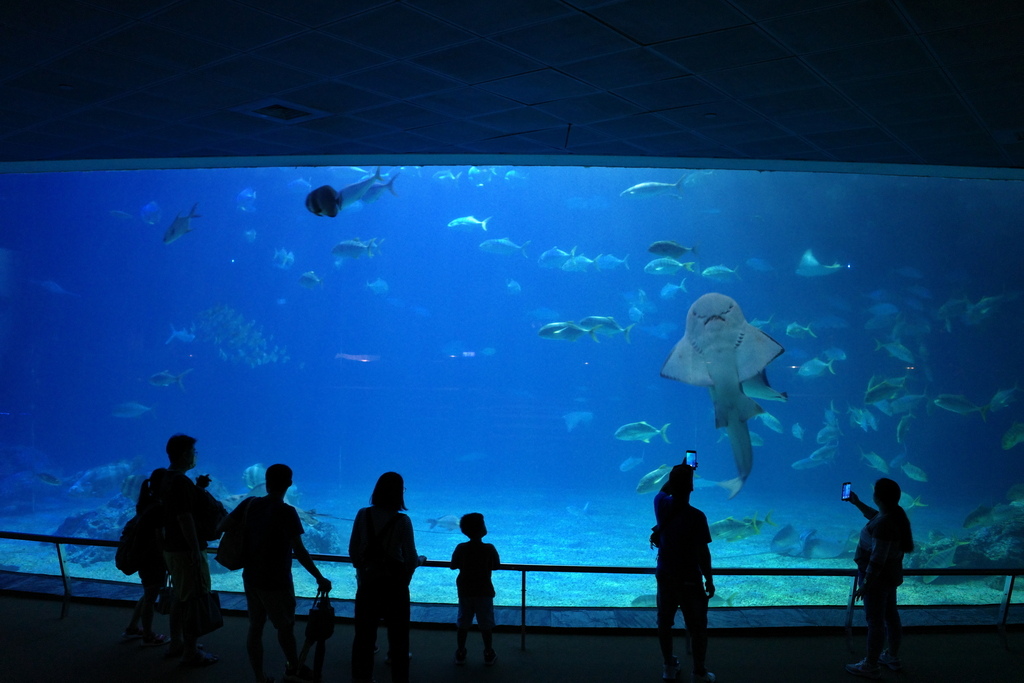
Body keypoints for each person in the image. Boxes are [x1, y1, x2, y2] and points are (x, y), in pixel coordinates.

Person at [219, 463, 332, 683]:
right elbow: (299, 550)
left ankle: (259, 676)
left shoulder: (249, 504)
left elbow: (222, 526)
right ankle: (293, 668)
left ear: (266, 482)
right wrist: (319, 577)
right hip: (277, 580)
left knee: (255, 627)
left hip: (251, 577)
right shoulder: (286, 511)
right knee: (285, 627)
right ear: (289, 484)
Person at [349, 472, 426, 683]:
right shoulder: (403, 520)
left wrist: (365, 571)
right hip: (395, 587)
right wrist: (416, 565)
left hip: (368, 584)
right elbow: (410, 557)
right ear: (399, 493)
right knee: (399, 638)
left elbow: (354, 552)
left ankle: (361, 679)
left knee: (364, 637)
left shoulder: (363, 514)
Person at [154, 433, 219, 666]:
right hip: (185, 550)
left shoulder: (165, 478)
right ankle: (191, 652)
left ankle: (177, 643)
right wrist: (193, 548)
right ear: (184, 454)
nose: (195, 456)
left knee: (180, 598)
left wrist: (198, 487)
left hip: (171, 548)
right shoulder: (180, 481)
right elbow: (184, 517)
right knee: (193, 600)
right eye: (193, 451)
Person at [844, 478, 914, 679]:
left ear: (879, 497)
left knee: (875, 621)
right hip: (889, 576)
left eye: (875, 491)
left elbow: (878, 558)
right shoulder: (892, 515)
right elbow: (874, 517)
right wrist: (856, 502)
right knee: (891, 616)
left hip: (877, 579)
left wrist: (866, 584)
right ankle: (891, 656)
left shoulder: (885, 524)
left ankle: (870, 665)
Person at [653, 464, 715, 683]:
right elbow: (703, 553)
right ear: (692, 488)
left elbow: (663, 489)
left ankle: (668, 666)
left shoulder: (660, 504)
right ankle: (698, 672)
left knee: (664, 622)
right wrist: (709, 578)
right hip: (690, 579)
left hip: (665, 576)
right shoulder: (697, 517)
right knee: (697, 627)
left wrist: (678, 473)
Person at [120, 478, 171, 647]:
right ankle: (148, 635)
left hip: (144, 558)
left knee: (148, 593)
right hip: (152, 559)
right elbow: (159, 538)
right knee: (150, 597)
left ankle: (132, 627)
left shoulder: (145, 505)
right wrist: (167, 559)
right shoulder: (157, 508)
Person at [449, 512, 500, 666]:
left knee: (463, 622)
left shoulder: (461, 547)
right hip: (484, 591)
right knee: (486, 623)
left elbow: (453, 566)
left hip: (465, 591)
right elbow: (496, 566)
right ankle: (488, 652)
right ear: (482, 529)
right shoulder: (489, 548)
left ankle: (460, 651)